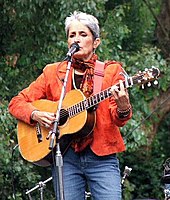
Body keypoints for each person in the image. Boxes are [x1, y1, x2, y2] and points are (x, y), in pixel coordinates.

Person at [9, 11, 132, 200]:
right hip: (65, 156)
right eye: (72, 35)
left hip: (102, 157)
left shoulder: (110, 71)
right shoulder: (53, 72)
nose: (77, 39)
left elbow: (119, 118)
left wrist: (123, 106)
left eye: (83, 35)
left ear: (96, 42)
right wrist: (35, 114)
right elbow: (16, 103)